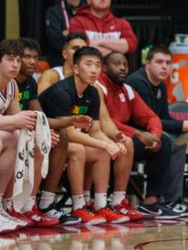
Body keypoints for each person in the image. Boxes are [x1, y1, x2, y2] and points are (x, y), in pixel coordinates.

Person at [38, 46, 128, 225]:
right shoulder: (61, 91)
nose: (94, 70)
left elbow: (95, 130)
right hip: (46, 139)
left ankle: (100, 205)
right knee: (80, 149)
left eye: (97, 65)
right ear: (76, 68)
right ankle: (77, 206)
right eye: (88, 64)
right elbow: (69, 133)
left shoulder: (93, 93)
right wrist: (105, 144)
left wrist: (112, 144)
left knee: (101, 150)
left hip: (63, 141)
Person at [126, 45, 188, 217]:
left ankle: (173, 200)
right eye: (159, 62)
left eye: (168, 63)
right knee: (167, 140)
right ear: (147, 64)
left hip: (150, 134)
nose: (165, 66)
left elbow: (164, 117)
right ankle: (160, 200)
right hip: (132, 135)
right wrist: (187, 125)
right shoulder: (138, 82)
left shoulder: (161, 85)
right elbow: (148, 122)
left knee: (179, 141)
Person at [98, 52, 169, 222]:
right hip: (103, 137)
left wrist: (154, 136)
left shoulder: (127, 90)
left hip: (122, 138)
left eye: (125, 64)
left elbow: (151, 117)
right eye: (117, 64)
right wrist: (137, 133)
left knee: (164, 141)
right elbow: (106, 121)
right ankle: (115, 200)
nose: (122, 68)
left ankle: (150, 201)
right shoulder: (98, 87)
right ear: (105, 67)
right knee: (128, 141)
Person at [0, 39, 58, 232]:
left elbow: (17, 118)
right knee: (10, 138)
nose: (16, 65)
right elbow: (13, 122)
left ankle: (18, 206)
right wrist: (15, 123)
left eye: (18, 60)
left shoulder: (12, 86)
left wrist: (42, 132)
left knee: (35, 142)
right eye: (10, 60)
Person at [68, 0, 137, 57]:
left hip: (113, 68)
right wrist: (115, 51)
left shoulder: (121, 23)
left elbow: (132, 45)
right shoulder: (77, 21)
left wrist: (100, 41)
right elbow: (80, 47)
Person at [44, 0, 84, 65]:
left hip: (86, 63)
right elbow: (56, 43)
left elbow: (92, 38)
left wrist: (67, 33)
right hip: (61, 66)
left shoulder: (89, 10)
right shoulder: (54, 12)